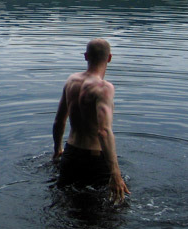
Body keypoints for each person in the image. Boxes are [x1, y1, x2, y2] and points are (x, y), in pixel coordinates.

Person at [52, 38, 130, 202]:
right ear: (109, 58)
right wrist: (116, 173)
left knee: (66, 203)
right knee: (109, 213)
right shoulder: (104, 88)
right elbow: (103, 131)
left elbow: (59, 120)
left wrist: (57, 149)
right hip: (94, 160)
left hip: (70, 154)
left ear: (86, 56)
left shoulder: (71, 81)